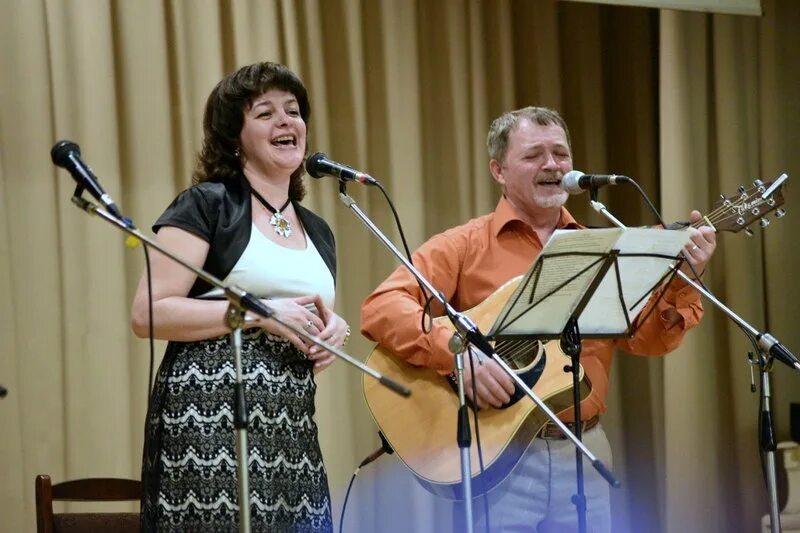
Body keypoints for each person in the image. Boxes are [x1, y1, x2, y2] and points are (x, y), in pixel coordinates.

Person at [360, 106, 716, 532]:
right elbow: (382, 306)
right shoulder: (464, 245)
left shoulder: (603, 247)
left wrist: (682, 278)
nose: (552, 165)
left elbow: (647, 341)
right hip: (496, 456)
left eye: (561, 154)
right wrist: (456, 356)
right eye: (534, 155)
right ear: (498, 170)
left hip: (584, 449)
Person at [131, 61, 348, 532]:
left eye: (293, 111)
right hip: (210, 425)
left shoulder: (319, 231)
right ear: (235, 137)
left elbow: (306, 313)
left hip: (290, 429)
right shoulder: (207, 205)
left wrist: (333, 331)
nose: (286, 121)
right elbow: (148, 312)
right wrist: (259, 314)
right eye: (265, 113)